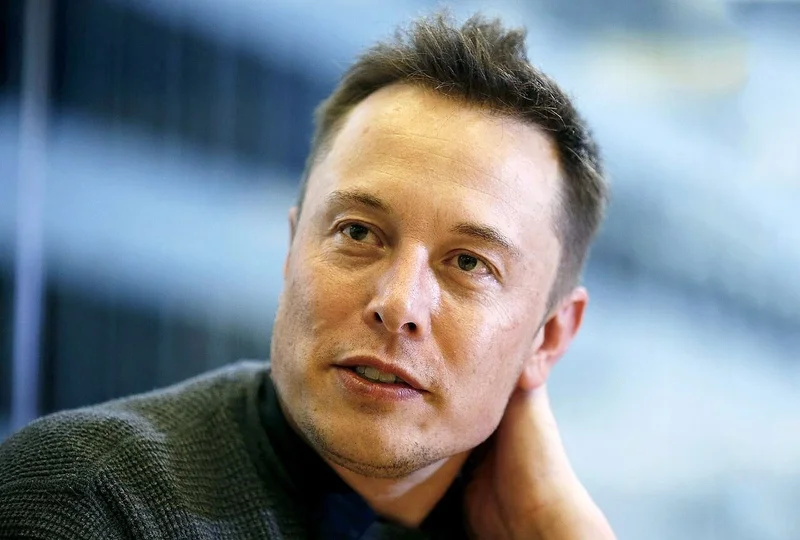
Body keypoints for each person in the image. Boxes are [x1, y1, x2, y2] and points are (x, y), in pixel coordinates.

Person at [0, 12, 615, 540]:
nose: (398, 303)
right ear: (294, 246)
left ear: (548, 337)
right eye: (358, 233)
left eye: (469, 263)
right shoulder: (84, 499)